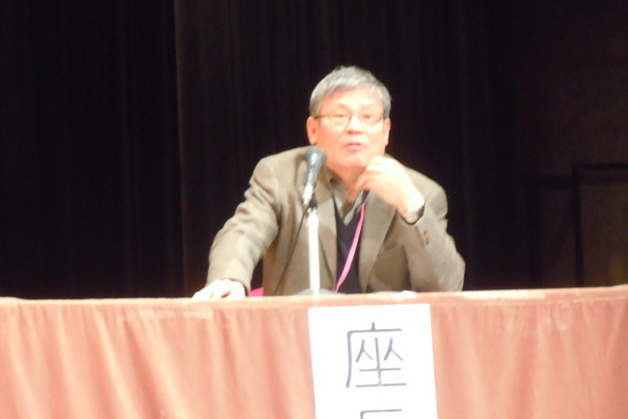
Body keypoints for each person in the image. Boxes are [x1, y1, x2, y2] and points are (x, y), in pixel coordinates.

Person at [192, 66, 465, 299]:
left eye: (368, 117)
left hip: (381, 338)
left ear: (386, 131)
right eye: (340, 116)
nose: (354, 127)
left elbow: (446, 289)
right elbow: (244, 230)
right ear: (313, 130)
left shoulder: (422, 192)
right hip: (298, 332)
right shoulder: (280, 175)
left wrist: (411, 207)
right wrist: (230, 278)